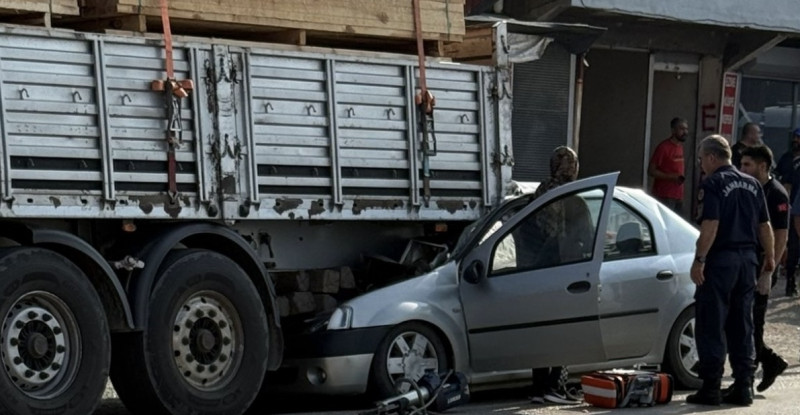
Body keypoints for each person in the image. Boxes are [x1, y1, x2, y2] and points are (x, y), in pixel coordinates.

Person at [687, 135, 774, 406]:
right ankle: (743, 385)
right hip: (747, 261)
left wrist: (699, 259)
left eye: (702, 159)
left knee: (711, 321)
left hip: (721, 261)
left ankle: (711, 387)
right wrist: (769, 257)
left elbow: (710, 224)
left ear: (712, 158)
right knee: (742, 323)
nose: (701, 165)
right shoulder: (752, 184)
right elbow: (764, 226)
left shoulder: (712, 183)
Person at [525, 146, 583, 405]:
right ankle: (556, 386)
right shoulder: (573, 195)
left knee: (541, 330)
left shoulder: (540, 192)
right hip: (563, 270)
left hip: (536, 270)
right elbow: (580, 235)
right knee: (564, 330)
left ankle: (539, 387)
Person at [738, 145, 789, 393]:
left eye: (748, 165)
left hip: (763, 266)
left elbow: (781, 236)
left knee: (754, 323)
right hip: (745, 263)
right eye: (741, 164)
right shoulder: (748, 188)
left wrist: (769, 272)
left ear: (763, 166)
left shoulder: (776, 194)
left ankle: (746, 379)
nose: (742, 169)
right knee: (741, 321)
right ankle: (771, 361)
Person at [774, 128, 800, 296]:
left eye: (799, 138)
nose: (796, 141)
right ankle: (789, 282)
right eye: (795, 137)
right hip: (789, 208)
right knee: (790, 246)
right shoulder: (787, 158)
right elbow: (781, 179)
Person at [648, 117, 689, 213]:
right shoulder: (663, 147)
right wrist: (670, 177)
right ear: (673, 130)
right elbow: (651, 170)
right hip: (664, 196)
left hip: (678, 196)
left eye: (686, 129)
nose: (685, 132)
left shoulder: (680, 147)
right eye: (681, 129)